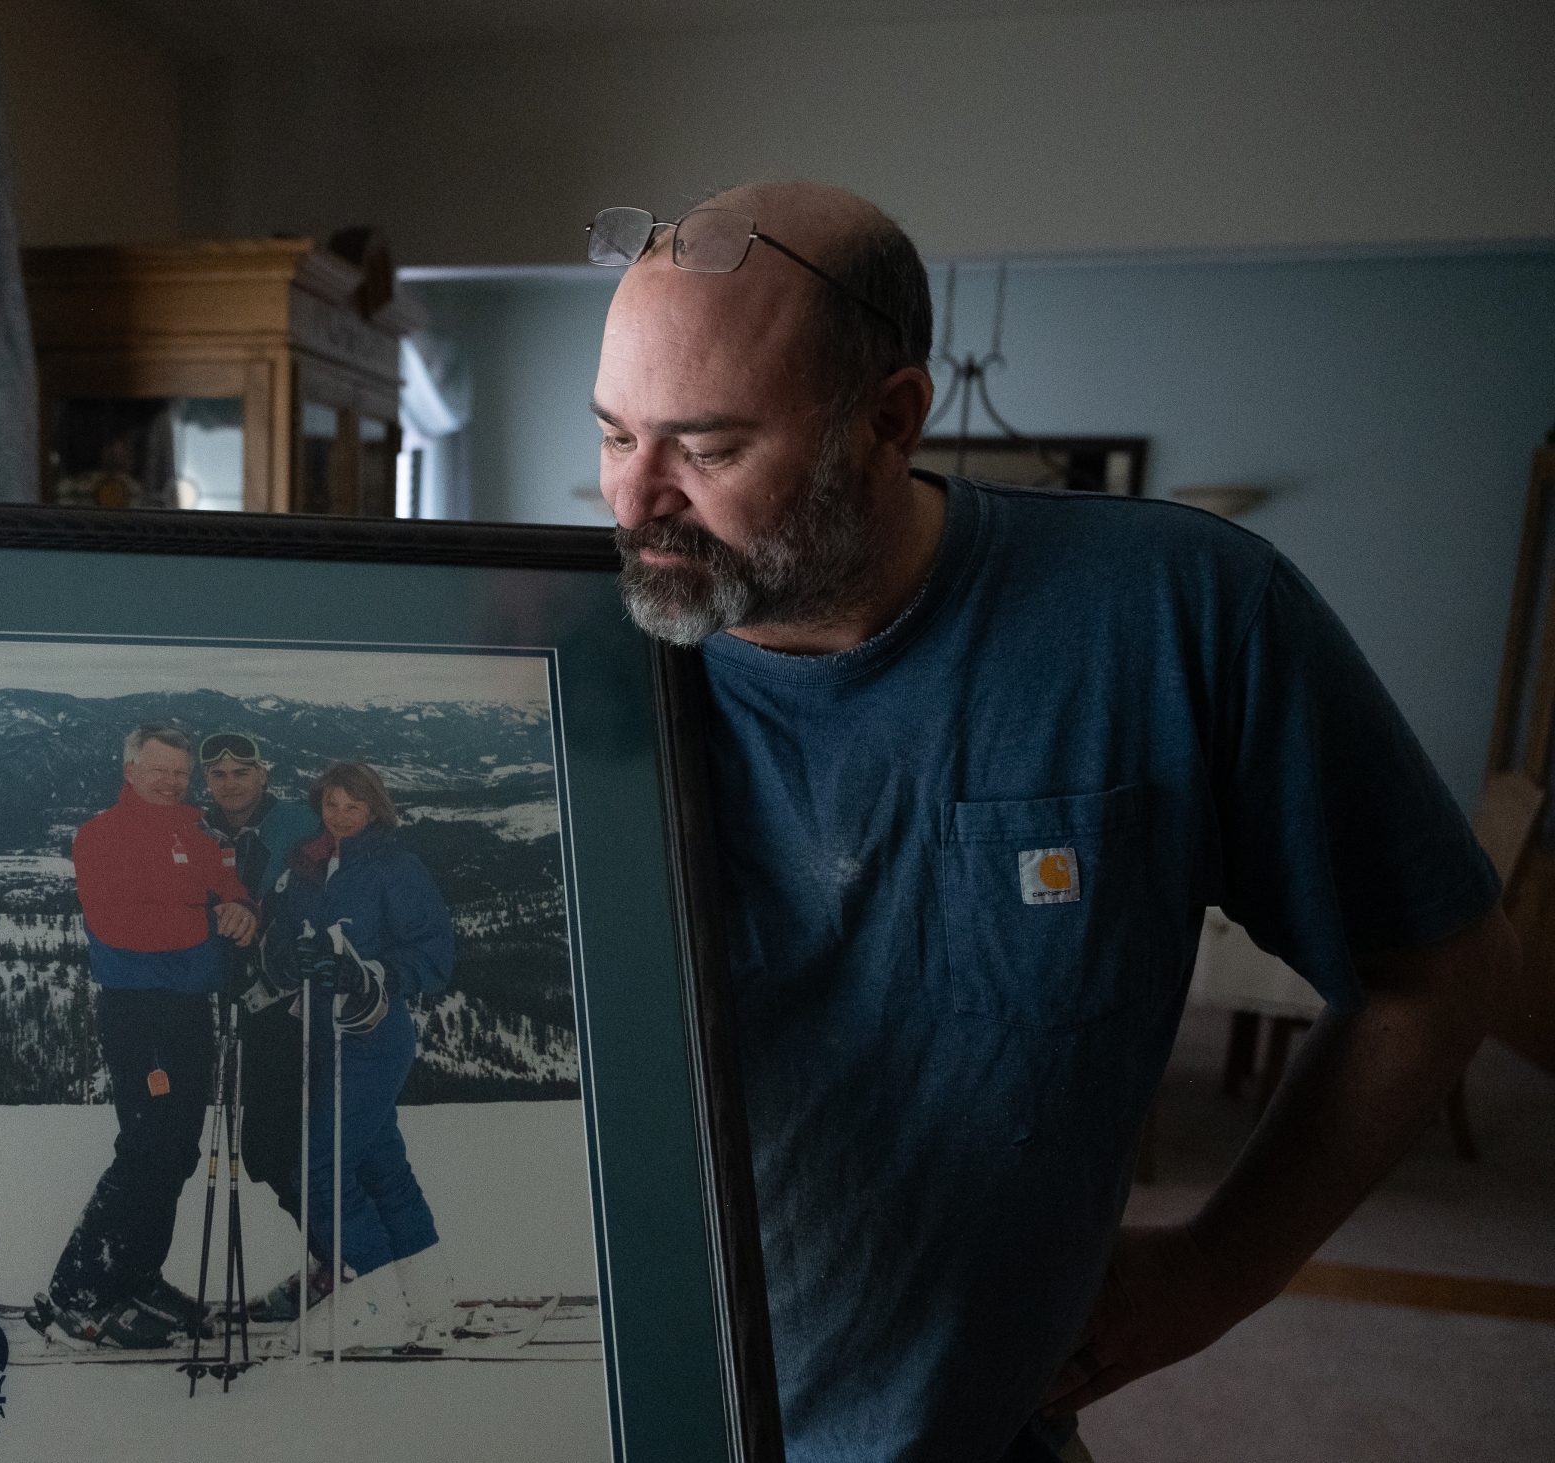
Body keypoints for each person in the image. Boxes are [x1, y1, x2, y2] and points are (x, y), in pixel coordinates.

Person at [588, 181, 1516, 1461]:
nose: (634, 501)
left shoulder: (1177, 614)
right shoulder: (557, 651)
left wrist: (1216, 1266)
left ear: (890, 420)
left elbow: (1440, 964)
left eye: (706, 447)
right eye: (610, 434)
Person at [44, 724, 258, 1348]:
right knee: (148, 1145)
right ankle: (81, 1290)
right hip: (139, 1013)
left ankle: (136, 1274)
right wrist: (209, 922)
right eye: (158, 769)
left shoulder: (197, 830)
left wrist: (240, 906)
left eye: (179, 772)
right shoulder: (102, 834)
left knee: (176, 1148)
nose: (170, 781)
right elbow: (119, 923)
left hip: (190, 1011)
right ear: (130, 767)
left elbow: (227, 883)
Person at [258, 760, 457, 1349]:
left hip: (374, 1037)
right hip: (321, 1035)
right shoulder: (305, 867)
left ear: (374, 809)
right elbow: (285, 948)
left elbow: (435, 952)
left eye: (354, 806)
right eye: (331, 805)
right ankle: (426, 1293)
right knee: (379, 1166)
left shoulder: (395, 866)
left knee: (318, 1168)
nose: (341, 817)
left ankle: (373, 1300)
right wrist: (288, 960)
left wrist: (376, 974)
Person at [194, 731, 324, 1237]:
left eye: (241, 773)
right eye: (219, 775)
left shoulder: (299, 826)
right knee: (270, 1144)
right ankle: (334, 1256)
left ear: (262, 775)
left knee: (282, 1142)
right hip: (238, 1002)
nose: (230, 784)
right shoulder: (201, 833)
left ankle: (347, 1256)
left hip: (297, 1002)